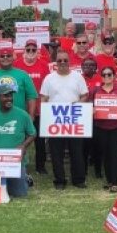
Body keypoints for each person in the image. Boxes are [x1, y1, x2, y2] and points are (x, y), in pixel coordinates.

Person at [40, 50, 89, 189]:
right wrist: (46, 113)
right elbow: (43, 97)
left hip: (74, 119)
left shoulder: (78, 77)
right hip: (56, 120)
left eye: (65, 60)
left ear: (69, 62)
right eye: (59, 60)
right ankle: (60, 180)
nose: (62, 63)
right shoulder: (49, 78)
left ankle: (79, 179)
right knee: (56, 152)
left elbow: (85, 95)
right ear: (55, 63)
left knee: (76, 151)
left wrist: (78, 103)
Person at [0, 85, 36, 201]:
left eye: (11, 96)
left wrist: (23, 146)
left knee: (20, 194)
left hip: (15, 161)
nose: (9, 99)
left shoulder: (22, 115)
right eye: (5, 96)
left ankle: (26, 178)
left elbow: (32, 134)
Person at [13, 39, 51, 174]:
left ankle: (40, 166)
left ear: (37, 52)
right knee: (20, 138)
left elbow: (48, 86)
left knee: (39, 139)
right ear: (24, 51)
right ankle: (19, 163)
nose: (30, 52)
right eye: (28, 49)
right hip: (21, 108)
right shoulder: (16, 65)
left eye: (33, 50)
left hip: (39, 109)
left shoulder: (44, 65)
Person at [90, 66, 117, 191]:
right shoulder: (96, 91)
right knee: (106, 154)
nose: (106, 77)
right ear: (101, 77)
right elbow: (89, 104)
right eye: (104, 75)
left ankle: (116, 182)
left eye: (109, 74)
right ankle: (109, 180)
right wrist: (92, 109)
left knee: (115, 154)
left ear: (114, 76)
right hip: (100, 127)